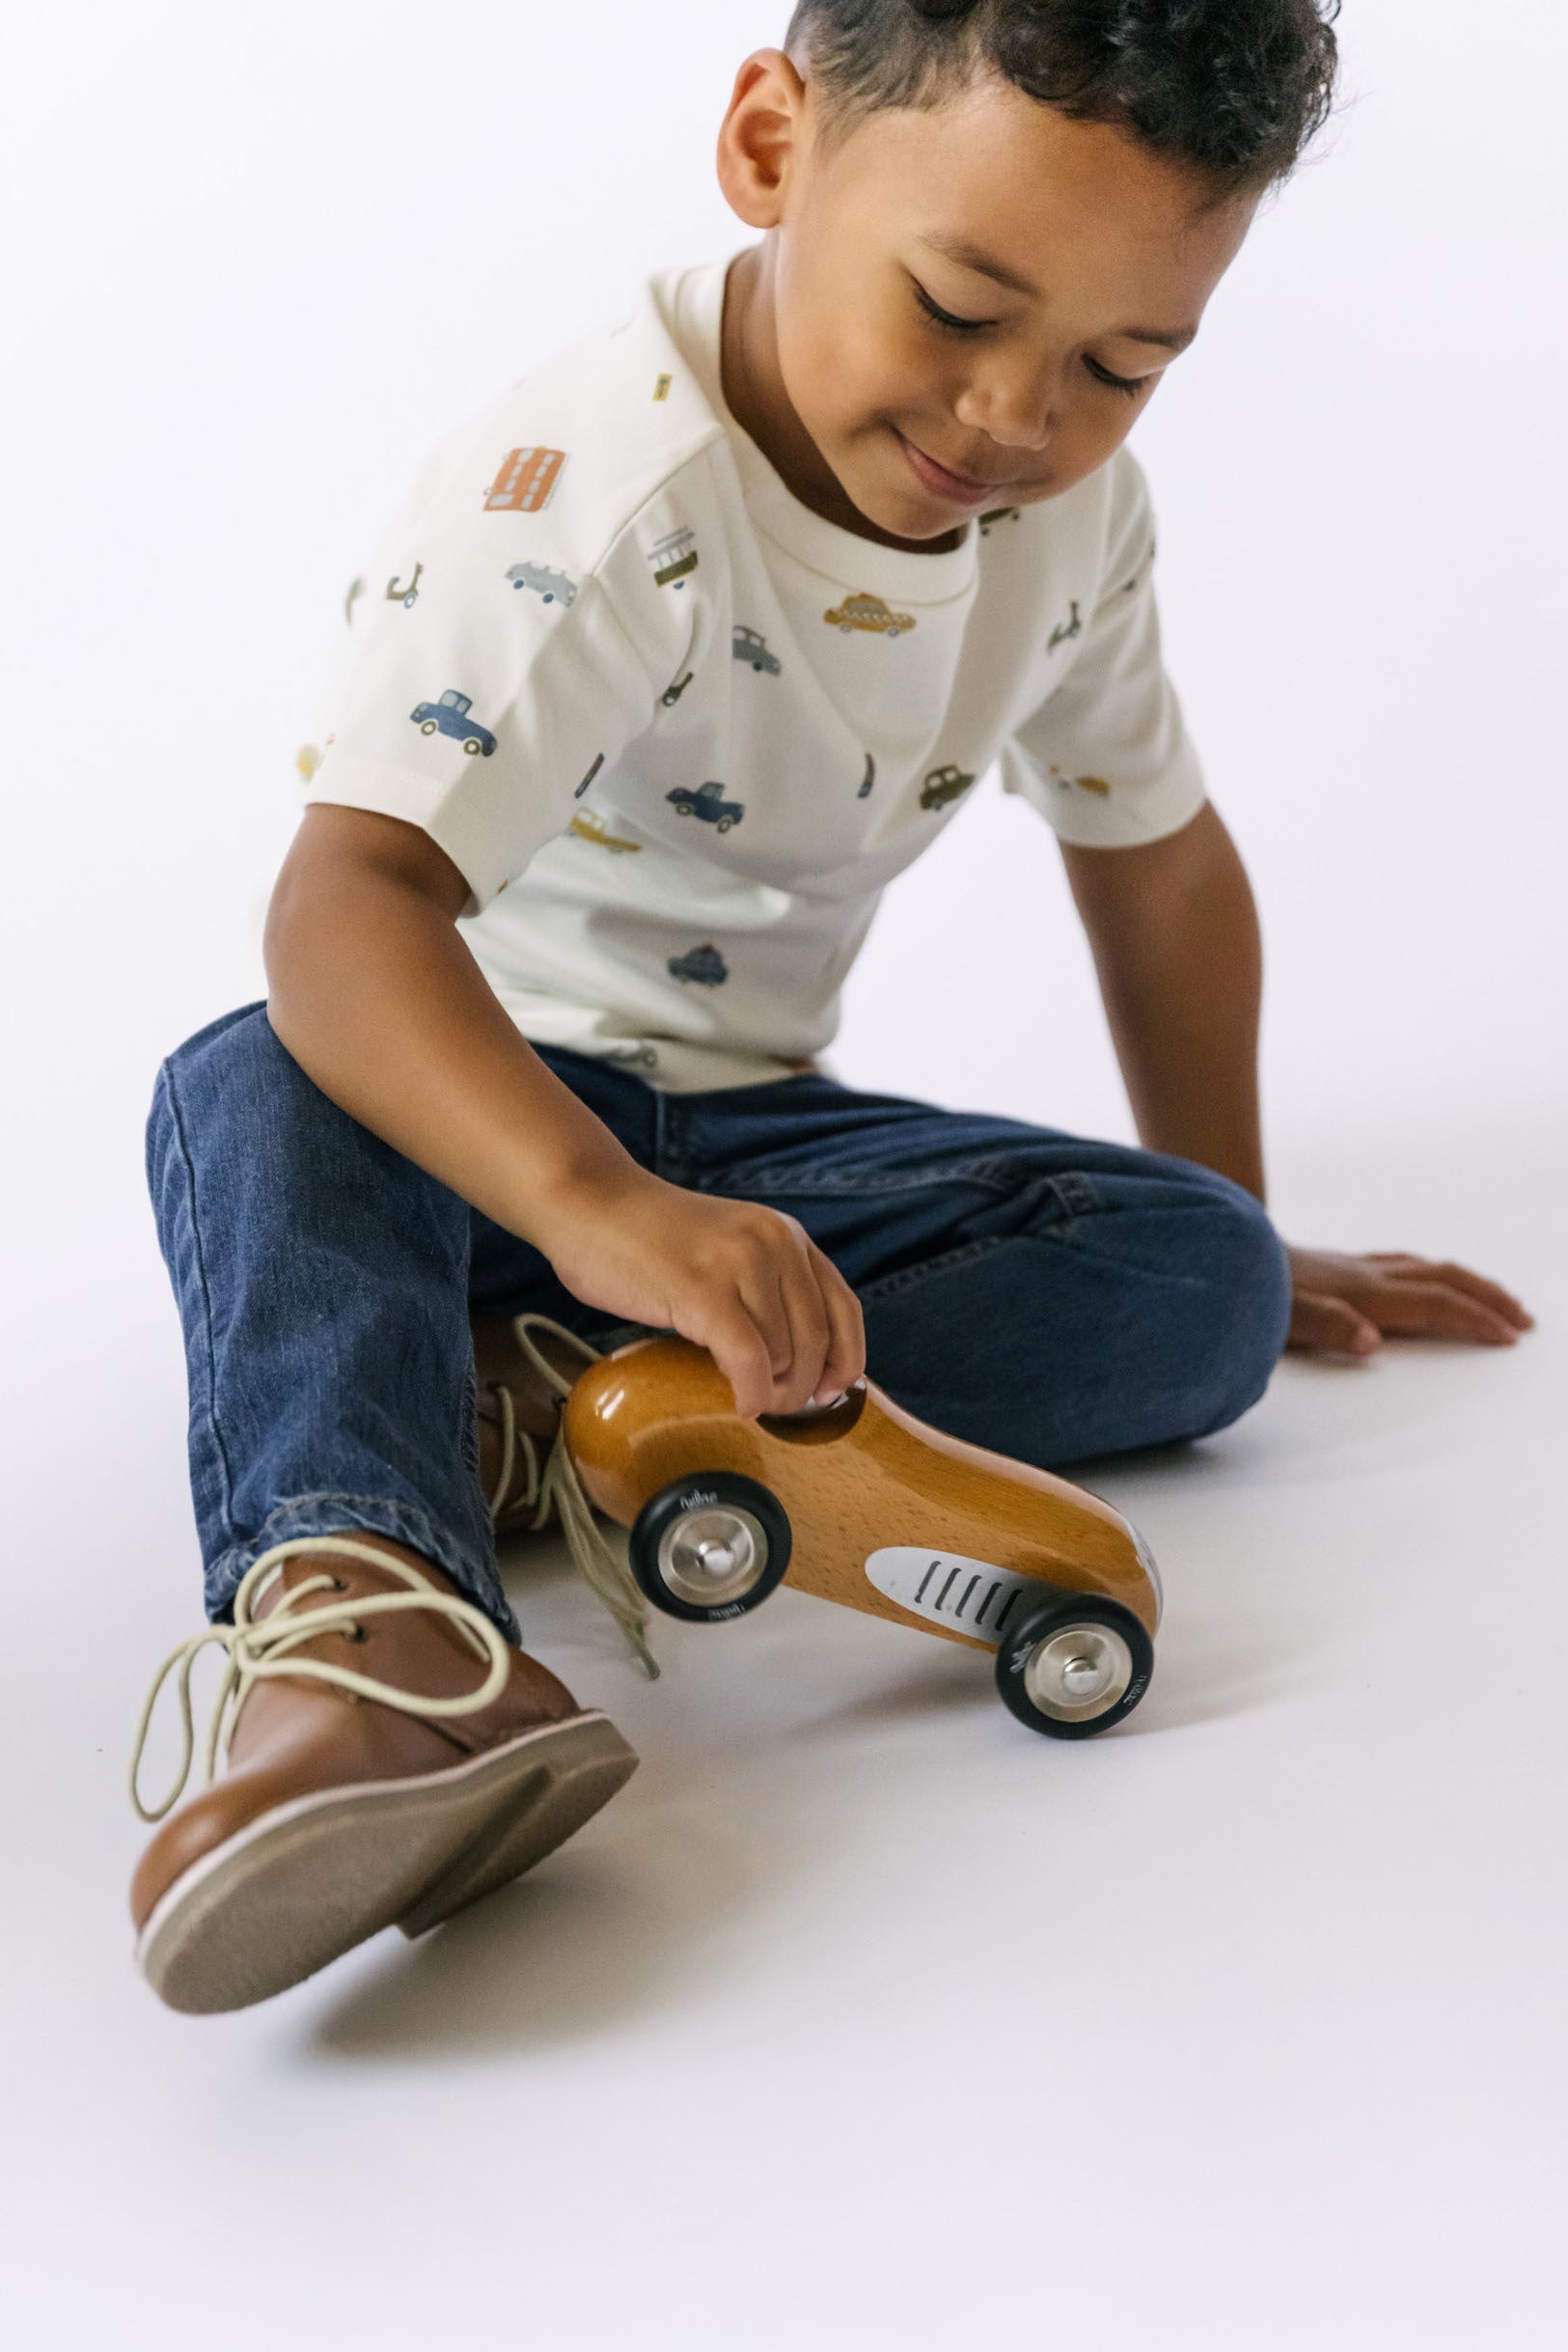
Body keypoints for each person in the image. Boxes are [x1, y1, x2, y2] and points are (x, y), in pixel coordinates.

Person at [129, 0, 1532, 2015]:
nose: (1016, 415)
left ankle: (549, 1403)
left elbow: (1160, 860)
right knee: (246, 1085)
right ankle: (376, 1633)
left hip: (745, 1142)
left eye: (1124, 364)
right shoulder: (597, 495)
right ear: (775, 146)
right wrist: (597, 1206)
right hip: (444, 1108)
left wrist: (1230, 1202)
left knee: (1195, 1286)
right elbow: (345, 911)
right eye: (963, 305)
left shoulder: (1065, 525)